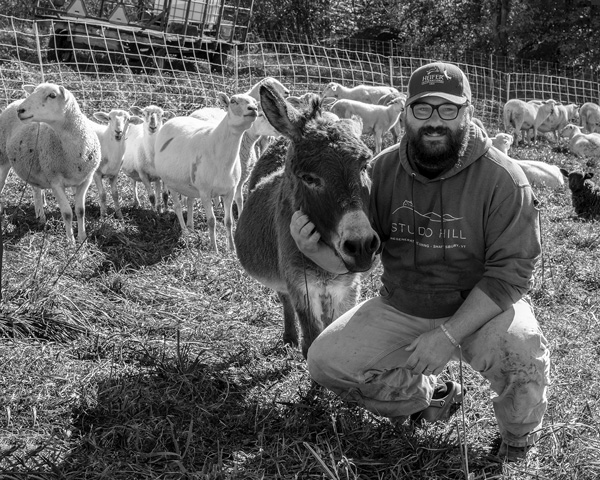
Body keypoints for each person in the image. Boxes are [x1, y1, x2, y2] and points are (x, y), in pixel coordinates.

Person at [290, 61, 550, 462]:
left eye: (448, 109)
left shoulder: (504, 179)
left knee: (523, 353)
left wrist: (447, 336)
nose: (434, 122)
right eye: (422, 109)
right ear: (405, 112)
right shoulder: (380, 172)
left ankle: (517, 441)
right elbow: (359, 257)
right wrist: (313, 251)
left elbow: (510, 274)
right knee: (326, 363)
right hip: (403, 305)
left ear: (468, 112)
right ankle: (429, 397)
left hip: (481, 308)